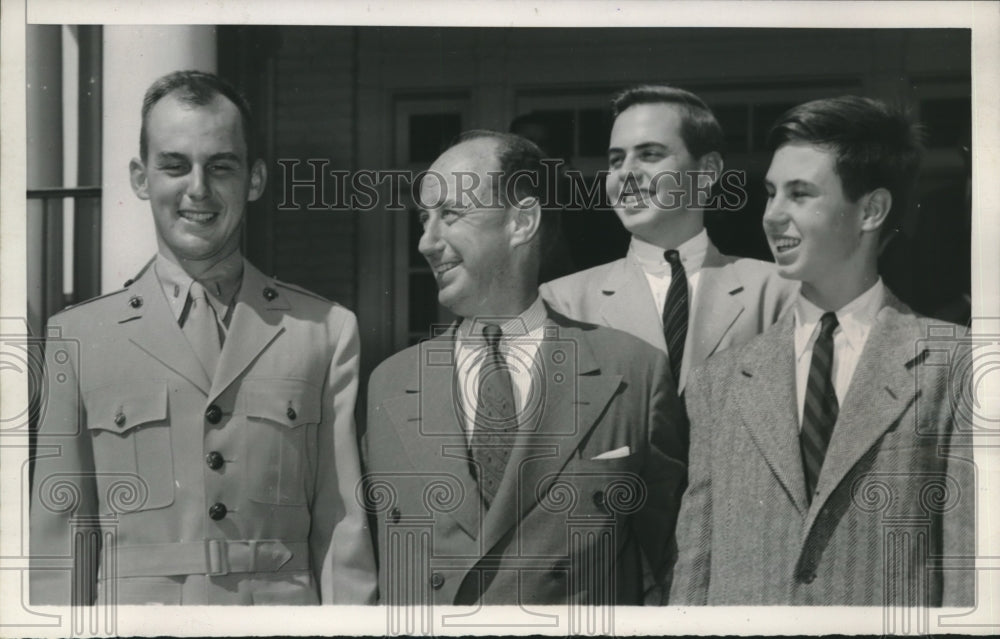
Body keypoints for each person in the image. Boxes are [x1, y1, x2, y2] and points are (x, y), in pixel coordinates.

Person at [30, 70, 376, 605]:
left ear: (254, 180)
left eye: (221, 166)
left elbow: (342, 534)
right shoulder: (77, 339)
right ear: (140, 178)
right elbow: (58, 552)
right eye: (175, 165)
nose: (198, 189)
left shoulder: (323, 331)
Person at [670, 96, 974, 606]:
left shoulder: (955, 366)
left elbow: (971, 582)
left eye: (800, 194)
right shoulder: (718, 382)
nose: (772, 215)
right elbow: (693, 578)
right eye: (771, 193)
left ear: (871, 210)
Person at [364, 131, 687, 606]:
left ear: (522, 222)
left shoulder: (633, 374)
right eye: (423, 220)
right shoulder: (389, 385)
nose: (426, 243)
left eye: (450, 214)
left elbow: (675, 568)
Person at [541, 85, 796, 391]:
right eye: (616, 160)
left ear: (707, 170)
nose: (626, 173)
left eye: (649, 154)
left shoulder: (779, 291)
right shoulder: (563, 302)